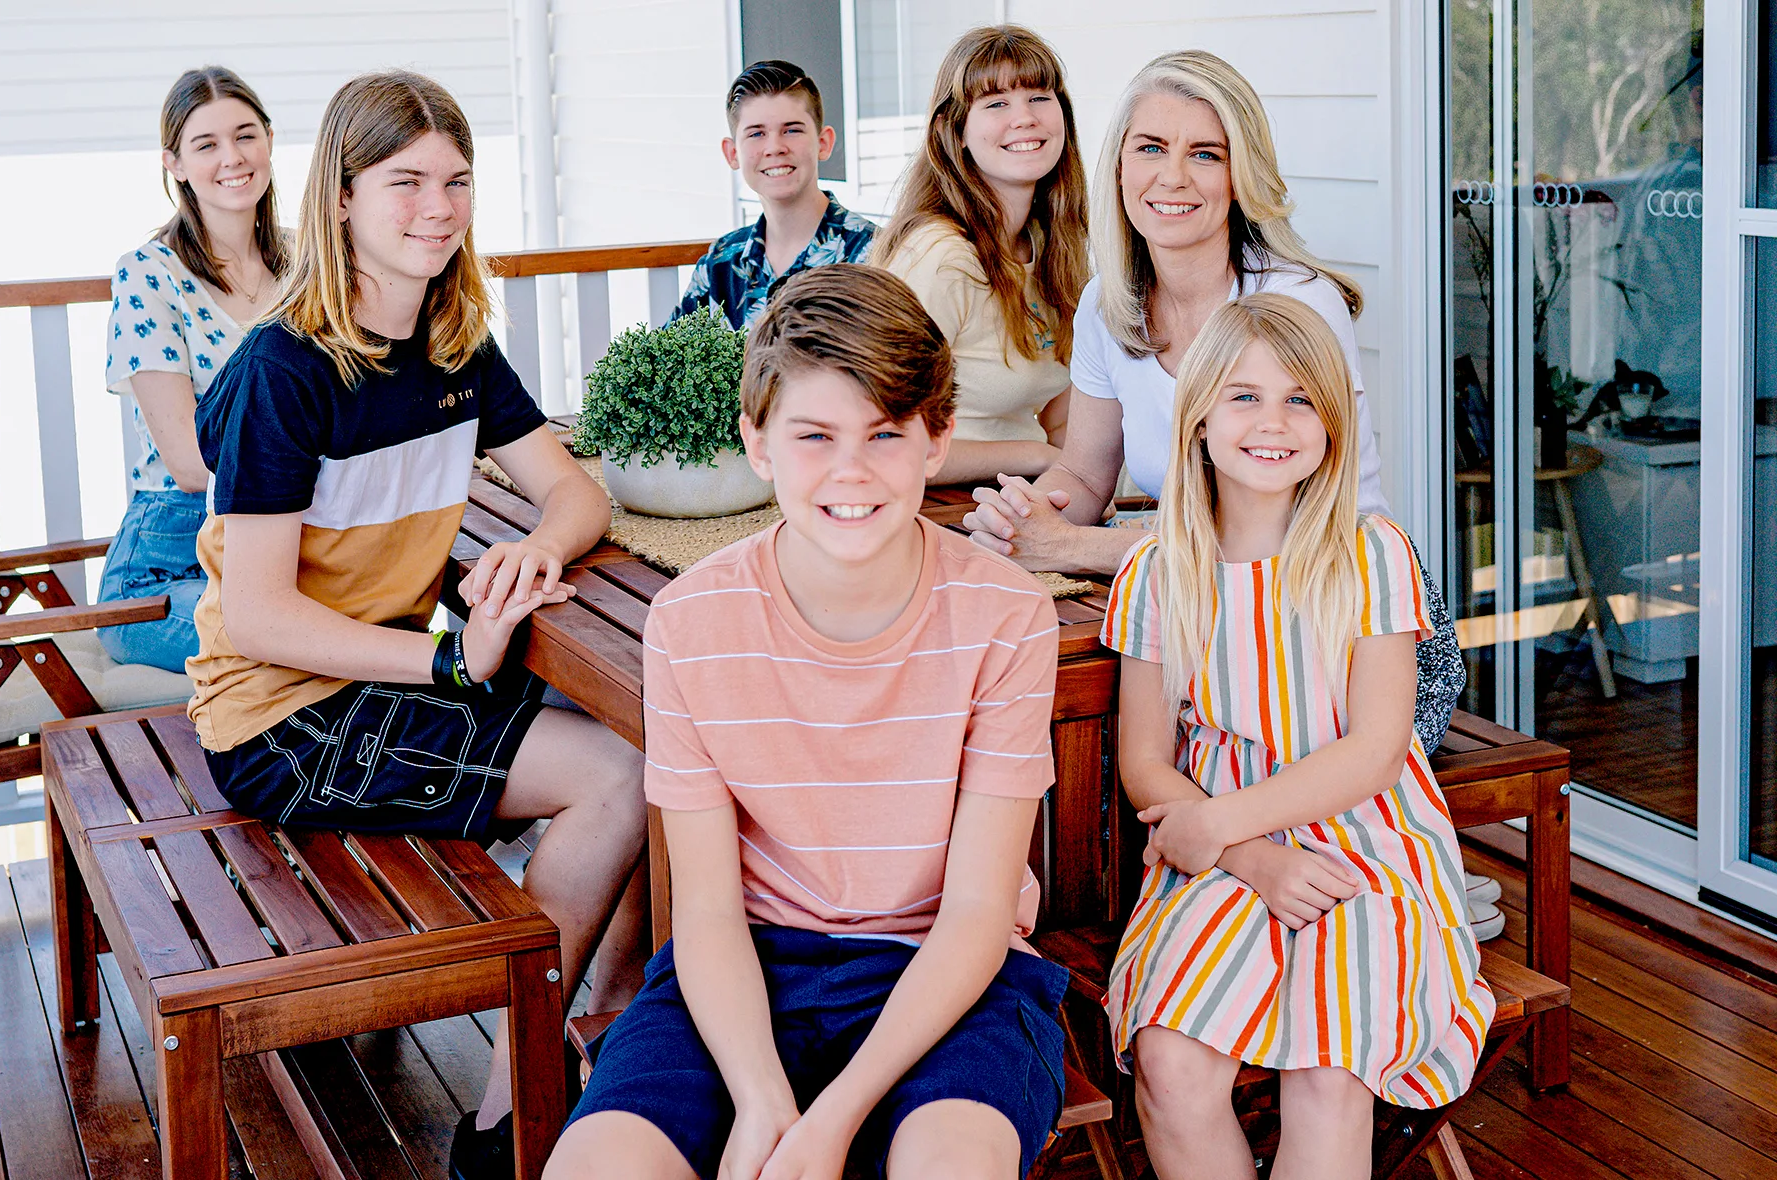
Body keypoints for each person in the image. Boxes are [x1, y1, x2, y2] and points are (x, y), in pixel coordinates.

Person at [185, 71, 647, 1180]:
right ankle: (509, 1114)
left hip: (389, 681)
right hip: (277, 717)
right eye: (406, 182)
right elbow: (256, 613)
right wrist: (449, 653)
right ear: (339, 196)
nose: (438, 206)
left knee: (661, 750)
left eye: (457, 180)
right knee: (621, 777)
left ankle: (613, 1030)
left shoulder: (455, 346)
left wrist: (539, 547)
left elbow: (578, 492)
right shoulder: (284, 370)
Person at [545, 265, 1070, 1180]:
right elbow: (705, 908)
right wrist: (759, 1097)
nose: (851, 472)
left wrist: (829, 1121)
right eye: (814, 436)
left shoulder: (1007, 615)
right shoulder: (692, 623)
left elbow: (980, 910)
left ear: (938, 438)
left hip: (945, 970)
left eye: (886, 434)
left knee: (955, 1166)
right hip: (746, 964)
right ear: (758, 442)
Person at [963, 49, 1466, 754]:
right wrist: (1027, 516)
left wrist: (1070, 544)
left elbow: (1285, 536)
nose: (1172, 177)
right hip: (1205, 608)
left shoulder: (1293, 304)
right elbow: (1082, 474)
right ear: (1118, 168)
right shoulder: (1108, 304)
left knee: (1120, 771)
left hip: (1339, 622)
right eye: (1151, 148)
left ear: (1241, 176)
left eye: (1205, 153)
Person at [1100, 294, 1493, 1180]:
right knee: (1171, 1065)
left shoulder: (1370, 552)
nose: (1273, 422)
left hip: (1367, 842)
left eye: (1300, 399)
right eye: (1243, 397)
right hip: (1216, 845)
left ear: (1333, 422)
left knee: (1331, 1069)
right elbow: (1145, 762)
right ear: (1197, 418)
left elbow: (1375, 750)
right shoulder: (1159, 571)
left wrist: (1226, 828)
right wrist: (1245, 852)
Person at [98, 66, 288, 672]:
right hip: (167, 566)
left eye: (245, 135)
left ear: (269, 141)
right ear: (174, 164)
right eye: (206, 144)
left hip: (292, 540)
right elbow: (187, 463)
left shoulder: (308, 263)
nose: (231, 157)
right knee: (305, 644)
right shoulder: (147, 276)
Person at [872, 24, 1088, 485]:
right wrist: (1035, 456)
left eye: (1038, 96)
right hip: (936, 508)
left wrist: (1081, 483)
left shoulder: (1054, 250)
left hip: (1017, 498)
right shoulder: (939, 256)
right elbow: (881, 442)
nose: (1024, 117)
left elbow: (1059, 418)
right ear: (957, 133)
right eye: (996, 103)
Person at [669, 59, 876, 331]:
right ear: (733, 154)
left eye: (791, 130)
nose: (774, 147)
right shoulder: (720, 263)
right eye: (756, 134)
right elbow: (669, 360)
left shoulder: (873, 256)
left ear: (823, 143)